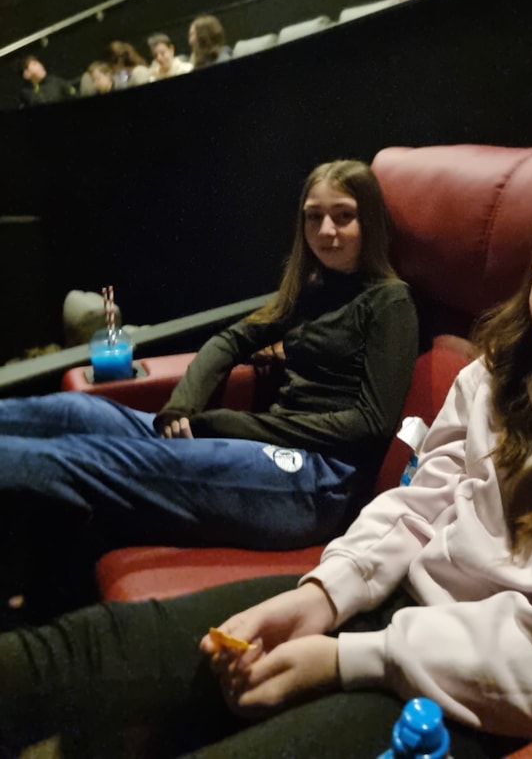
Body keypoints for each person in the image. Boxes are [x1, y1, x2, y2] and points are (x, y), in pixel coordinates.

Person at [1, 175, 532, 758]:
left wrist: (346, 656)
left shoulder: (389, 302)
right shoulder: (485, 371)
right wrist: (321, 594)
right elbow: (417, 500)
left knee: (86, 461)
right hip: (386, 591)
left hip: (472, 677)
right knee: (98, 624)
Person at [0, 159, 418, 627]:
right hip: (265, 445)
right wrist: (182, 405)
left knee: (85, 458)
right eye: (313, 216)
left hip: (317, 481)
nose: (326, 231)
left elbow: (370, 423)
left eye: (343, 216)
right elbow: (229, 341)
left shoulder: (390, 302)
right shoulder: (313, 290)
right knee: (72, 412)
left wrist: (231, 425)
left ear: (370, 222)